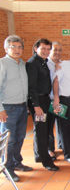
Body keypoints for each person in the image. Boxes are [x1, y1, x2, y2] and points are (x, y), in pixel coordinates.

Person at [0, 35, 33, 182]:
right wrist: (1, 109)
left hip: (21, 107)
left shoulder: (22, 64)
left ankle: (17, 162)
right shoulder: (2, 64)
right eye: (14, 46)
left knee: (20, 137)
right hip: (8, 108)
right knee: (9, 140)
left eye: (20, 47)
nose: (17, 50)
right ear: (6, 48)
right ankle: (7, 168)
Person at [27, 38, 59, 171]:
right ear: (36, 49)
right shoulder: (33, 63)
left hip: (46, 100)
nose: (46, 51)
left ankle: (39, 155)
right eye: (43, 48)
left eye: (48, 49)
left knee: (45, 130)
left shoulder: (44, 62)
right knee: (41, 131)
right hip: (38, 102)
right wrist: (36, 105)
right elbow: (32, 86)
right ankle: (46, 162)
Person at [46, 42, 62, 161]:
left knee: (61, 124)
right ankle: (50, 150)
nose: (57, 52)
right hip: (49, 100)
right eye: (55, 49)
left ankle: (62, 145)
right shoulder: (45, 64)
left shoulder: (61, 64)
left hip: (60, 101)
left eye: (59, 50)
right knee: (49, 126)